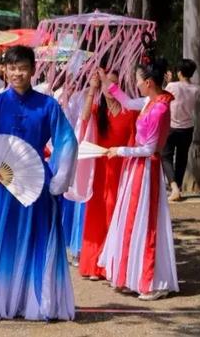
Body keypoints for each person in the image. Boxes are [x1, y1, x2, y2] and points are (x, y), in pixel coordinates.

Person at [0, 45, 78, 321]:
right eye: (11, 68)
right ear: (4, 70)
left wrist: (59, 178)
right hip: (3, 184)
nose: (17, 73)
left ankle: (35, 301)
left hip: (35, 185)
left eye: (22, 68)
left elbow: (67, 140)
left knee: (36, 238)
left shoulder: (48, 105)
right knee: (2, 239)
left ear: (33, 70)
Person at [97, 55, 179, 301]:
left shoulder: (160, 108)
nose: (137, 84)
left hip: (146, 169)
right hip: (136, 169)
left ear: (149, 83)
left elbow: (149, 148)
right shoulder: (148, 102)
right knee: (131, 220)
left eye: (139, 80)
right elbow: (125, 101)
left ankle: (151, 279)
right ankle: (132, 276)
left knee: (145, 222)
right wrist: (104, 81)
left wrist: (119, 150)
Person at [77, 71, 138, 280]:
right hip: (100, 167)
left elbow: (134, 141)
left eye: (114, 83)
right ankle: (94, 264)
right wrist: (92, 89)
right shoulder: (97, 110)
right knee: (97, 214)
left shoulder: (129, 112)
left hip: (121, 167)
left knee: (115, 212)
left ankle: (113, 264)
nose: (110, 88)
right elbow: (83, 118)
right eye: (106, 84)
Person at [162, 59, 200, 201]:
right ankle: (177, 187)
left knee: (166, 157)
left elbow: (163, 98)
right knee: (182, 159)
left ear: (179, 72)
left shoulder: (172, 86)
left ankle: (174, 188)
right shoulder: (197, 89)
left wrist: (168, 82)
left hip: (171, 127)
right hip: (188, 128)